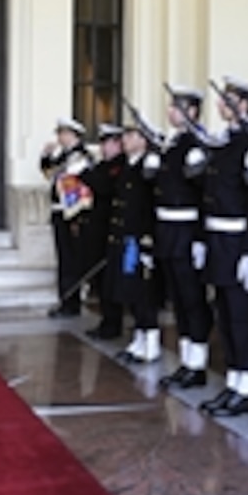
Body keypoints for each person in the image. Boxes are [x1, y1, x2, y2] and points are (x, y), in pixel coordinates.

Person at [197, 76, 248, 418]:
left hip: (239, 242)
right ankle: (235, 380)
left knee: (244, 316)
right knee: (226, 316)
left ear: (244, 105)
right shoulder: (223, 143)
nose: (221, 105)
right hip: (218, 239)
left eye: (228, 100)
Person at [149, 85, 212, 389]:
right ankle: (187, 360)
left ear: (193, 112)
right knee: (178, 299)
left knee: (192, 299)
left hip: (187, 230)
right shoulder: (174, 145)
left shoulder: (197, 145)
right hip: (168, 231)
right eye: (171, 107)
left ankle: (197, 364)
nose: (170, 112)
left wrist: (200, 238)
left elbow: (205, 196)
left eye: (177, 107)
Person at [109, 124, 161, 364]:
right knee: (130, 290)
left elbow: (150, 206)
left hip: (139, 238)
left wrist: (148, 241)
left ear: (144, 140)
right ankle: (139, 337)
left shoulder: (148, 167)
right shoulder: (128, 165)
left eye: (131, 136)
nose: (125, 140)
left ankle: (150, 340)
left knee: (144, 292)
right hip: (125, 236)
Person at [40, 118, 93, 318]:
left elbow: (68, 179)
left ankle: (72, 302)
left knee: (71, 261)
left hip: (72, 215)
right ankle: (65, 300)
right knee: (64, 259)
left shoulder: (80, 157)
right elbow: (48, 173)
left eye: (62, 133)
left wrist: (75, 219)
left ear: (73, 135)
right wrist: (46, 156)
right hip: (60, 212)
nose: (59, 137)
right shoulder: (64, 155)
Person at [83, 124, 126, 339]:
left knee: (110, 281)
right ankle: (106, 319)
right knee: (99, 281)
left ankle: (112, 322)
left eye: (107, 142)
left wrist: (88, 176)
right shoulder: (103, 165)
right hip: (96, 228)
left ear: (118, 143)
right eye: (102, 142)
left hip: (110, 228)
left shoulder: (119, 166)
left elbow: (104, 186)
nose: (103, 147)